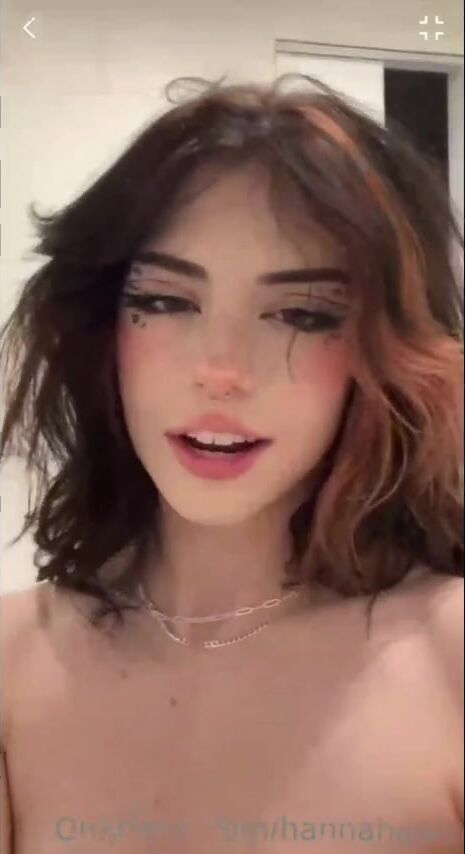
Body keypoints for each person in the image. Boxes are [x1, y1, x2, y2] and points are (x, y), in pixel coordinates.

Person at [0, 74, 463, 853]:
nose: (221, 371)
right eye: (166, 301)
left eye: (300, 314)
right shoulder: (13, 666)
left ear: (385, 348)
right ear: (101, 326)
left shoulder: (449, 659)